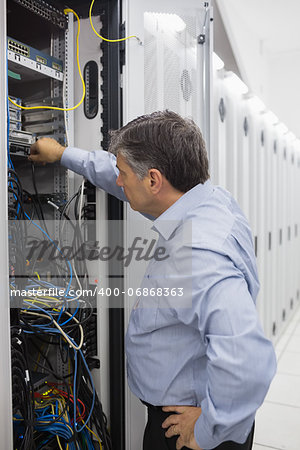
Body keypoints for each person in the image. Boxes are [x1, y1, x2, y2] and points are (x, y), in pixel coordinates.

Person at [29, 110, 277, 450]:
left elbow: (247, 360)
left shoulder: (199, 252)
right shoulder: (205, 201)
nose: (118, 181)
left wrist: (209, 429)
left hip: (186, 429)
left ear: (154, 181)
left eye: (124, 174)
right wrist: (62, 154)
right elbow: (115, 174)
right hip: (188, 411)